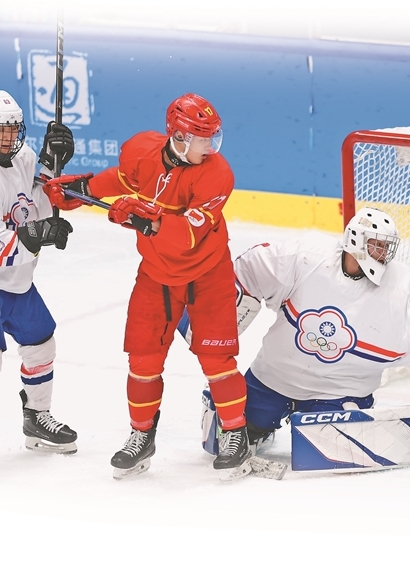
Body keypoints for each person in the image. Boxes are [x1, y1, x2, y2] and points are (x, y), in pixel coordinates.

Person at [197, 207, 410, 458]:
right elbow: (247, 271)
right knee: (216, 442)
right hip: (273, 379)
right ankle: (261, 423)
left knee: (332, 449)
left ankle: (346, 422)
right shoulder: (306, 257)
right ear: (354, 241)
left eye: (387, 248)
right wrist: (218, 303)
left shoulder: (398, 284)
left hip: (338, 393)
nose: (383, 255)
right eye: (377, 246)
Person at [43, 93, 251, 481]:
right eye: (202, 138)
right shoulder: (143, 151)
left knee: (217, 360)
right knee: (142, 360)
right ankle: (142, 436)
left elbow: (188, 235)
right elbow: (121, 179)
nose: (210, 146)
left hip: (208, 275)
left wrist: (145, 218)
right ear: (179, 137)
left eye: (212, 137)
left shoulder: (217, 174)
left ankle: (235, 433)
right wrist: (82, 190)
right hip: (156, 274)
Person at [0, 90, 77, 454]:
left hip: (18, 284)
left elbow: (34, 207)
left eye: (13, 129)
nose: (8, 137)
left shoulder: (23, 158)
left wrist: (51, 166)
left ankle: (37, 417)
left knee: (41, 343)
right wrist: (35, 235)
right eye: (1, 130)